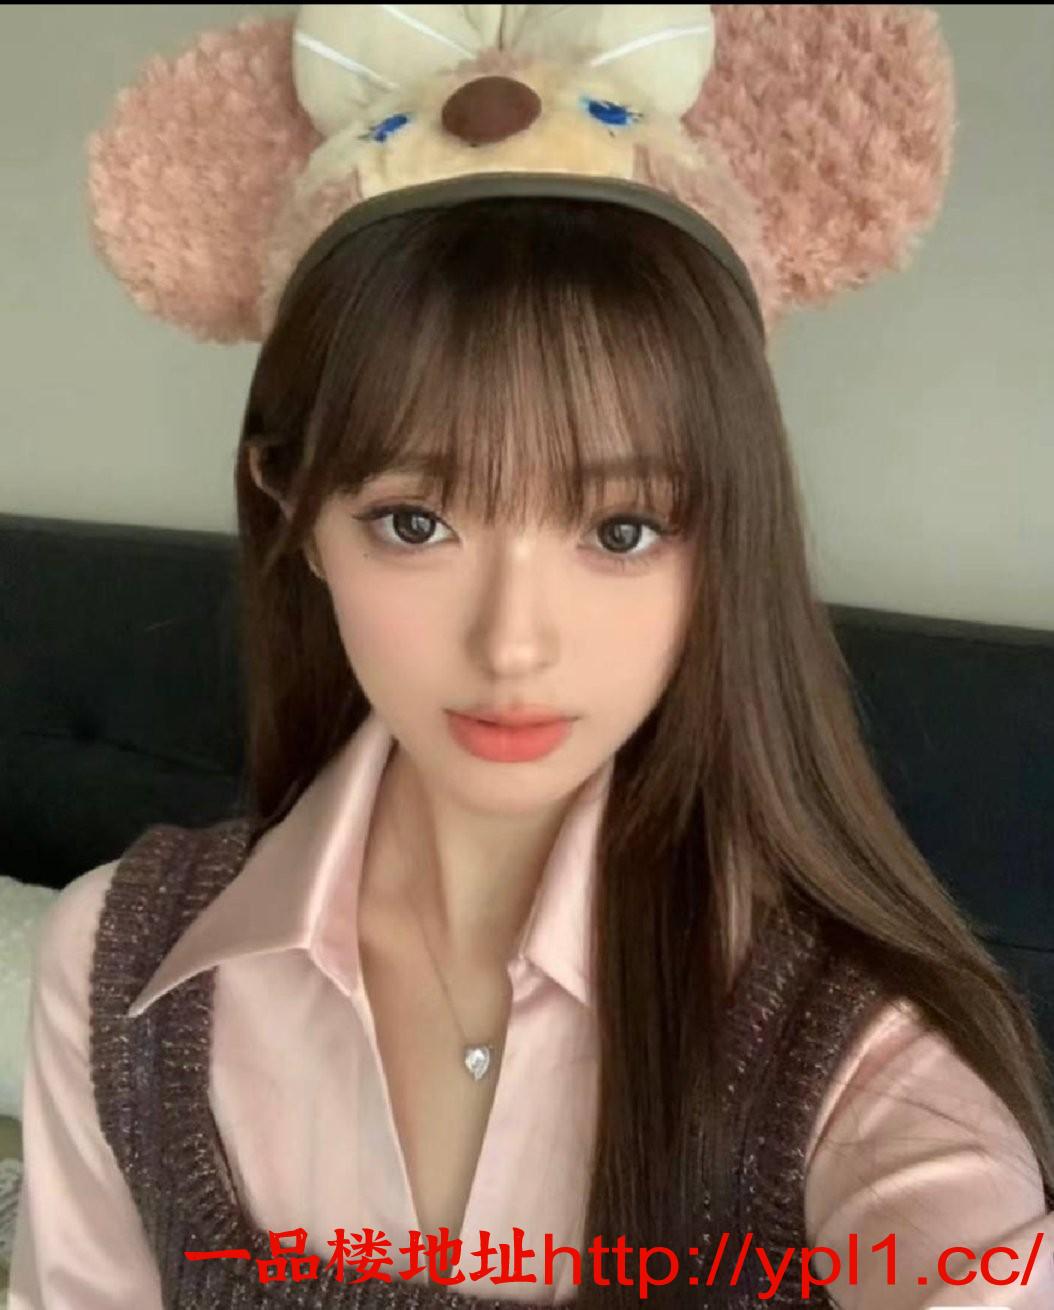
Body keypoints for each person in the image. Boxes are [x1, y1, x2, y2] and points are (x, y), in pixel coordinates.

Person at [10, 5, 1054, 1307]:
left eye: (620, 529)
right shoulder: (117, 967)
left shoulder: (846, 1045)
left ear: (724, 538)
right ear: (295, 514)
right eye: (414, 521)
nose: (513, 640)